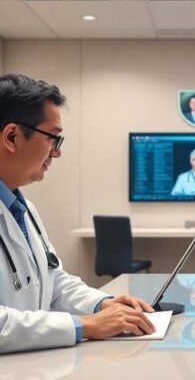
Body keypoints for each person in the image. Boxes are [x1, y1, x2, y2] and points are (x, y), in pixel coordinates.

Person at [0, 74, 155, 354]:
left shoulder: (22, 209)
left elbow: (53, 280)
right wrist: (84, 325)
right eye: (52, 139)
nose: (56, 153)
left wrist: (103, 304)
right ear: (12, 136)